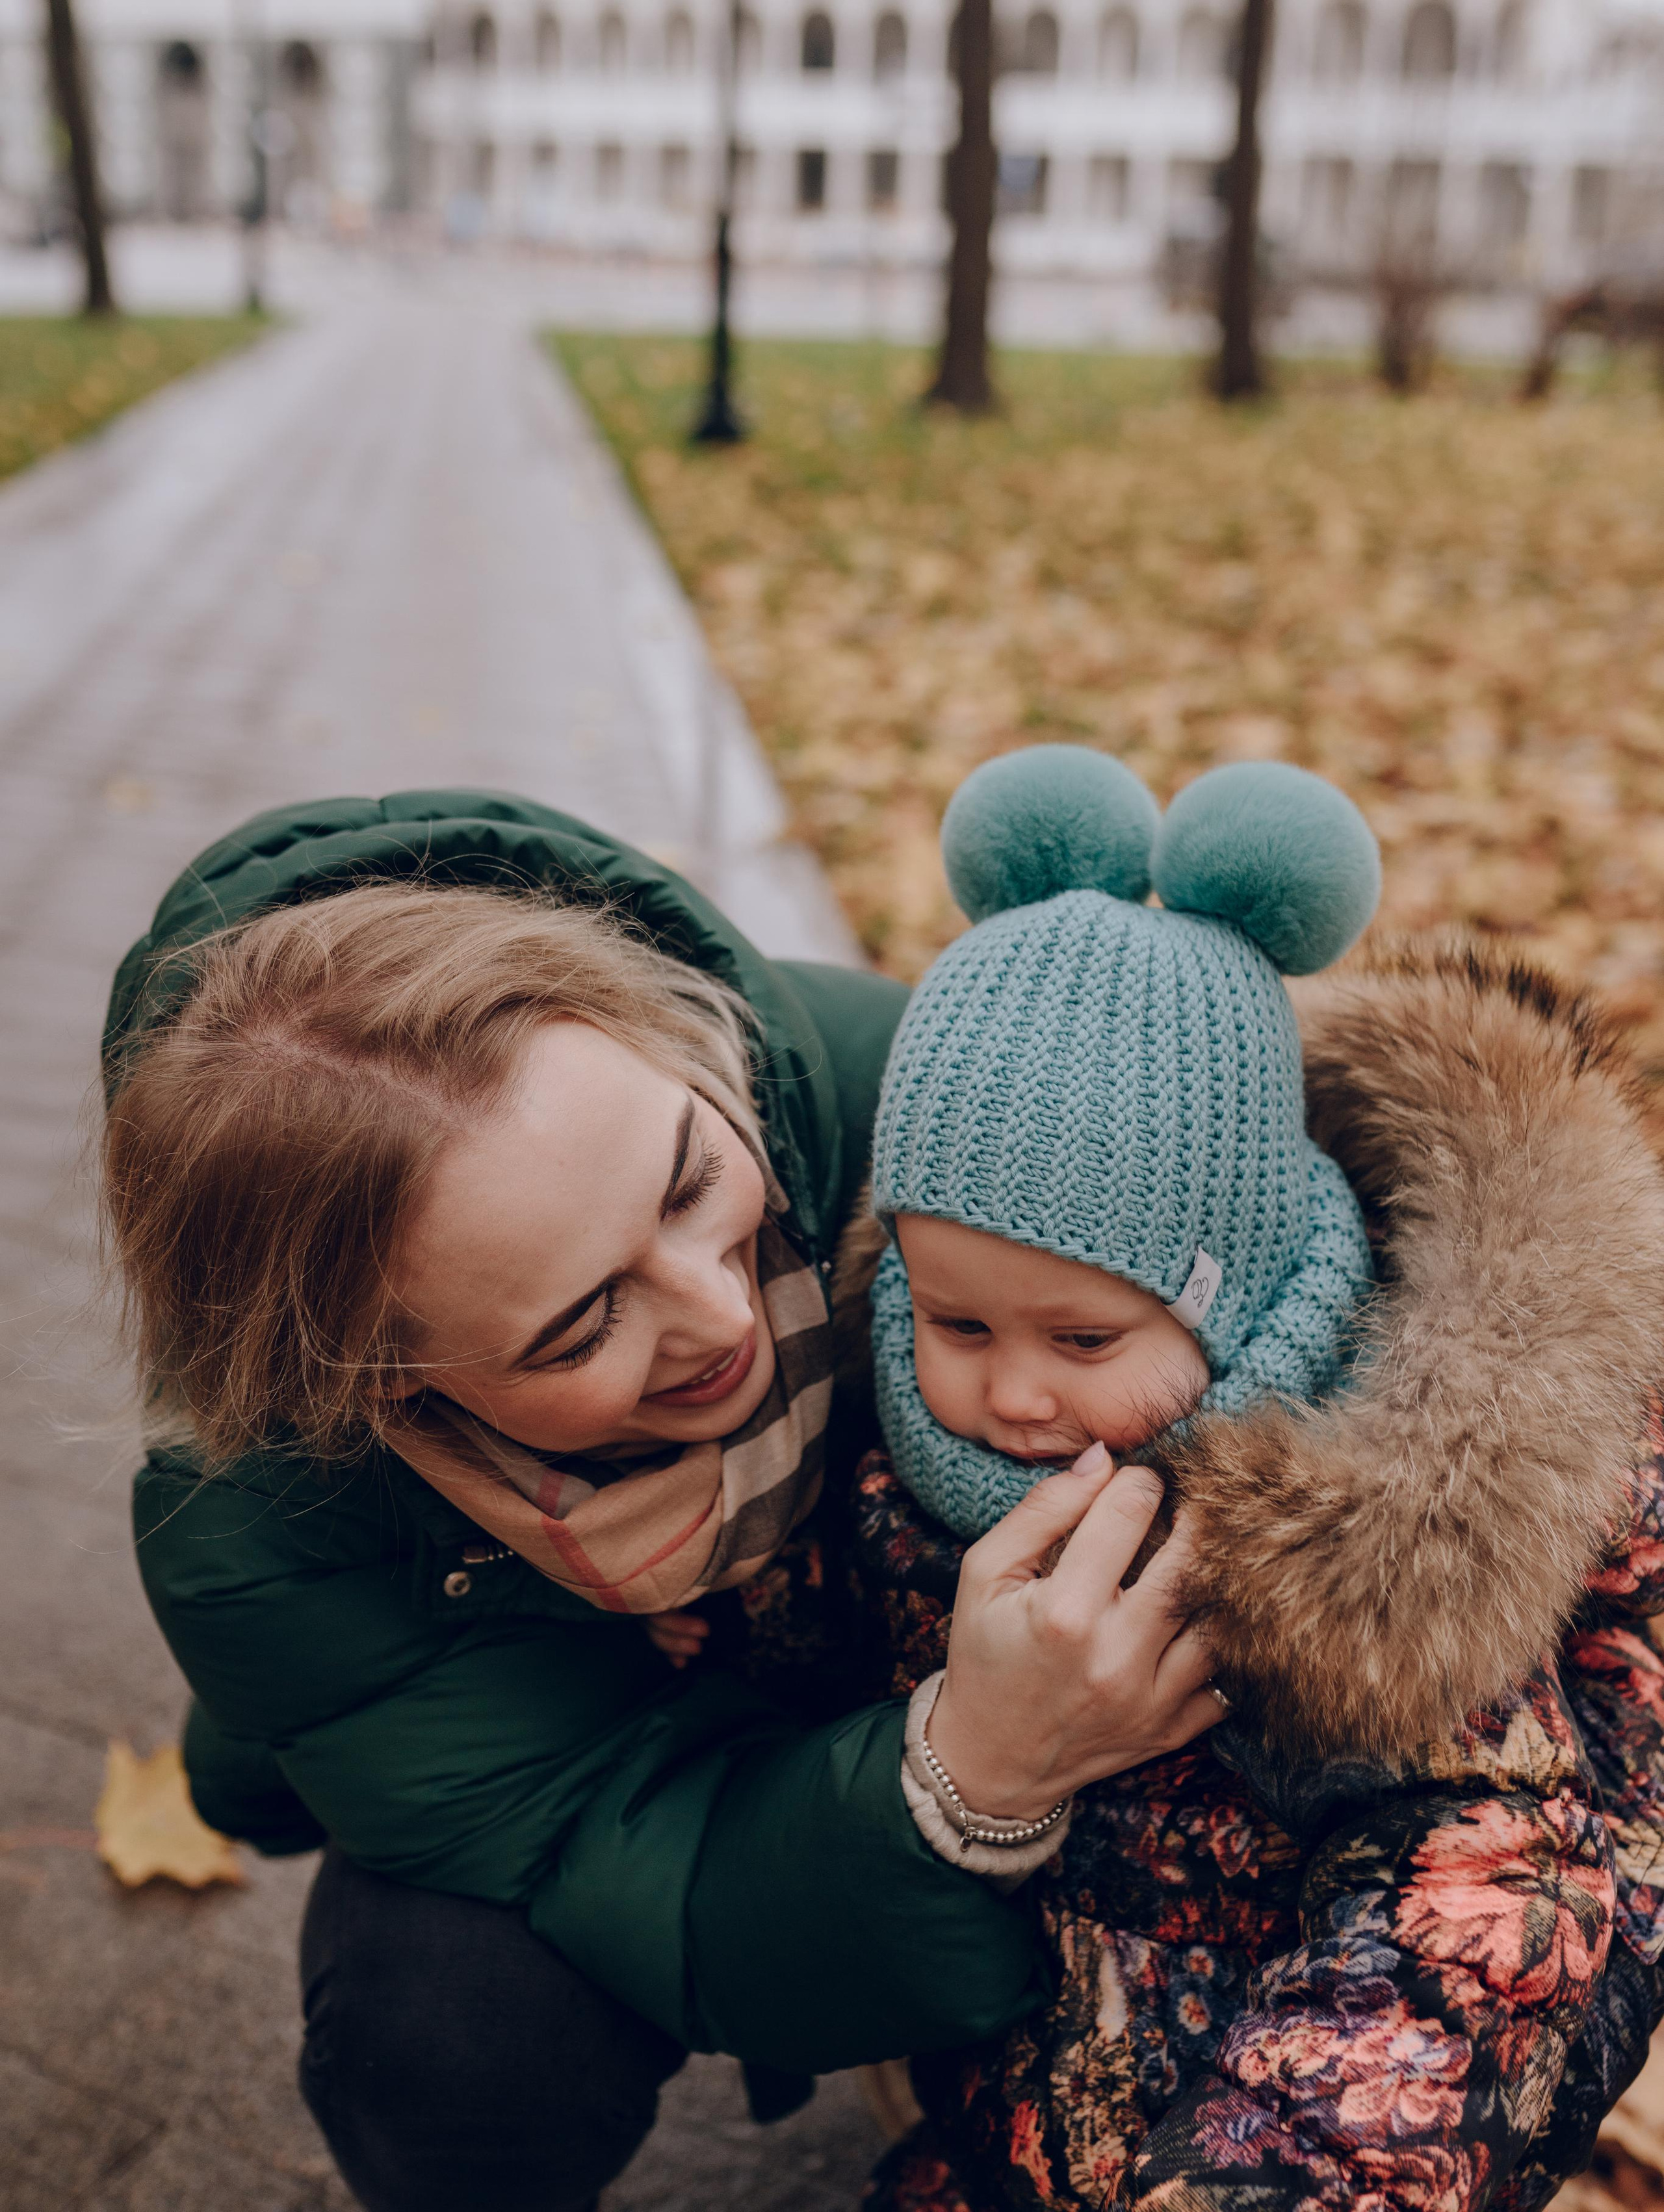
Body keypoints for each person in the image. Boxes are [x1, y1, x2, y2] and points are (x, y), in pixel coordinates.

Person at [106, 788, 1220, 2212]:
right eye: (576, 1329)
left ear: (668, 1035)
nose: (716, 1314)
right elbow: (643, 1862)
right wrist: (966, 1779)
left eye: (692, 1179)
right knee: (442, 2027)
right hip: (556, 1733)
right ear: (371, 1385)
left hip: (865, 1665)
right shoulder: (265, 1529)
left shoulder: (916, 1091)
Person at [846, 747, 1664, 2209]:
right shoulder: (901, 1456)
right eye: (953, 1321)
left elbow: (1483, 1905)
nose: (1010, 1391)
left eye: (1083, 1335)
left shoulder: (1349, 1552)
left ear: (1232, 1302)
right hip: (1003, 2122)